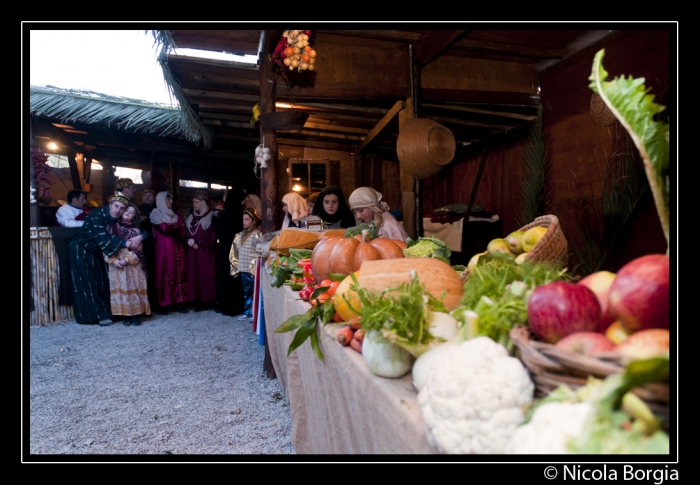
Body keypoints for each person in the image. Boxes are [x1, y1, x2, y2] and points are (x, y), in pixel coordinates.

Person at [69, 193, 145, 325]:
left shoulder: (115, 218)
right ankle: (95, 317)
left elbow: (133, 226)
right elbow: (103, 238)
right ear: (109, 205)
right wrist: (125, 243)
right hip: (82, 249)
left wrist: (142, 235)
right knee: (88, 282)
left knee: (102, 281)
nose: (118, 210)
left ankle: (111, 313)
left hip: (99, 250)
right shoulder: (96, 216)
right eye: (116, 206)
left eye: (122, 208)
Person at [104, 203, 151, 326]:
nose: (128, 213)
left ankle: (135, 315)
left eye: (132, 213)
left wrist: (126, 260)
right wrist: (114, 261)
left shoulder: (136, 231)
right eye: (127, 211)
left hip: (131, 263)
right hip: (116, 261)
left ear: (134, 217)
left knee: (133, 287)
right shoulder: (111, 227)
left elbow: (138, 249)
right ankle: (126, 316)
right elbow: (106, 244)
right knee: (121, 289)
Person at [150, 191, 189, 314]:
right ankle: (164, 303)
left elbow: (183, 231)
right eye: (169, 199)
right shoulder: (156, 213)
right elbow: (164, 228)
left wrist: (174, 226)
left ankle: (179, 301)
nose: (172, 202)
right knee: (165, 272)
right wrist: (175, 226)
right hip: (164, 248)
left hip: (178, 247)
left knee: (180, 272)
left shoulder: (175, 215)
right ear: (162, 200)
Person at [214, 188, 245, 317]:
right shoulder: (241, 214)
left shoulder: (224, 215)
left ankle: (224, 305)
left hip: (225, 249)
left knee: (224, 277)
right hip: (237, 250)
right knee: (235, 278)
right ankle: (237, 306)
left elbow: (218, 232)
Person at [185, 191, 217, 312]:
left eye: (197, 202)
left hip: (205, 252)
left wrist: (197, 243)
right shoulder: (191, 218)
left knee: (205, 276)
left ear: (203, 203)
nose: (194, 204)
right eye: (193, 202)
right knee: (194, 275)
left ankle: (206, 301)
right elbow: (187, 233)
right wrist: (189, 241)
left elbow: (211, 236)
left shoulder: (211, 217)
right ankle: (196, 299)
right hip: (193, 252)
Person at [229, 208, 262, 320]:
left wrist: (255, 267)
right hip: (242, 268)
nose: (244, 221)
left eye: (247, 219)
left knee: (254, 291)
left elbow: (259, 251)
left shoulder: (257, 234)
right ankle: (247, 311)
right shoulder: (238, 235)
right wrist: (235, 267)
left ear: (253, 221)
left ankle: (254, 313)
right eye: (243, 219)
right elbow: (234, 252)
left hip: (252, 269)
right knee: (246, 291)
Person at [138, 188, 158, 312]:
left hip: (158, 244)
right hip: (144, 245)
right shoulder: (138, 210)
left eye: (150, 195)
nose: (147, 197)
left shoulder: (159, 209)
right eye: (145, 195)